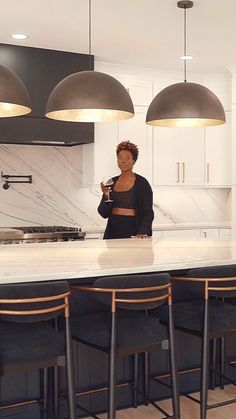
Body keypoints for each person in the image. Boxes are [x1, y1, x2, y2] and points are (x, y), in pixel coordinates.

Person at [97, 140, 154, 239]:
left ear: (133, 161)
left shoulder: (142, 183)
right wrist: (106, 195)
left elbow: (148, 213)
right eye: (120, 157)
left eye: (127, 158)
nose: (123, 161)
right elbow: (103, 213)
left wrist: (142, 232)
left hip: (133, 230)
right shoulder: (111, 182)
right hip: (112, 231)